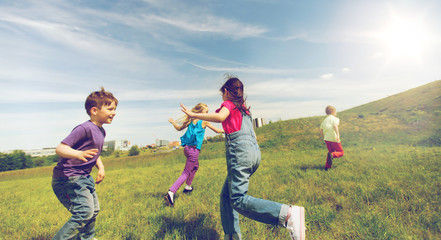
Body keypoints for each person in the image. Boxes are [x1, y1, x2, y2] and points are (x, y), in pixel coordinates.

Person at [180, 75, 306, 240]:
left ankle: (288, 214)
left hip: (240, 154)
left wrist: (191, 113)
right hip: (253, 154)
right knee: (226, 196)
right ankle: (232, 235)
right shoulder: (245, 110)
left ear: (226, 92)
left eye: (222, 94)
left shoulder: (228, 104)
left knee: (238, 199)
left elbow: (219, 117)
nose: (222, 97)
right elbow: (249, 133)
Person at [51, 87, 118, 240]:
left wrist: (100, 166)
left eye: (114, 109)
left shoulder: (101, 131)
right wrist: (78, 154)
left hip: (83, 177)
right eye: (110, 109)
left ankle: (86, 238)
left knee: (93, 211)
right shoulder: (84, 128)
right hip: (68, 178)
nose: (114, 112)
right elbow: (60, 148)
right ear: (94, 110)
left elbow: (94, 152)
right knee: (84, 212)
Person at [165, 103, 224, 206]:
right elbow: (217, 130)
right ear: (200, 112)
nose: (207, 114)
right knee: (185, 173)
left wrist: (173, 122)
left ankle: (188, 187)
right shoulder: (204, 121)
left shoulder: (190, 120)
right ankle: (171, 192)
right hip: (194, 151)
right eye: (206, 112)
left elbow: (178, 128)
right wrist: (227, 130)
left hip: (187, 149)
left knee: (195, 166)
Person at [320, 105, 344, 170]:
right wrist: (338, 135)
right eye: (335, 112)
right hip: (334, 138)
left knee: (330, 152)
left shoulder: (324, 121)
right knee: (341, 152)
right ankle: (333, 155)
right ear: (333, 112)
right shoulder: (335, 119)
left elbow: (321, 130)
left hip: (327, 139)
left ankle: (327, 167)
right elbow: (335, 126)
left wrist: (324, 137)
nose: (336, 113)